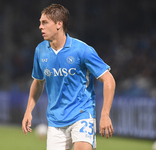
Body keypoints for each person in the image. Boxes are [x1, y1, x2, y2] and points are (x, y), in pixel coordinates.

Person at [22, 4, 115, 150]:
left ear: (59, 24)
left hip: (82, 114)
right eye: (40, 22)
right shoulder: (40, 50)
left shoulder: (82, 50)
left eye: (45, 22)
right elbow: (38, 82)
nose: (40, 26)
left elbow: (108, 79)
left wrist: (105, 114)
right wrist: (28, 111)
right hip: (55, 120)